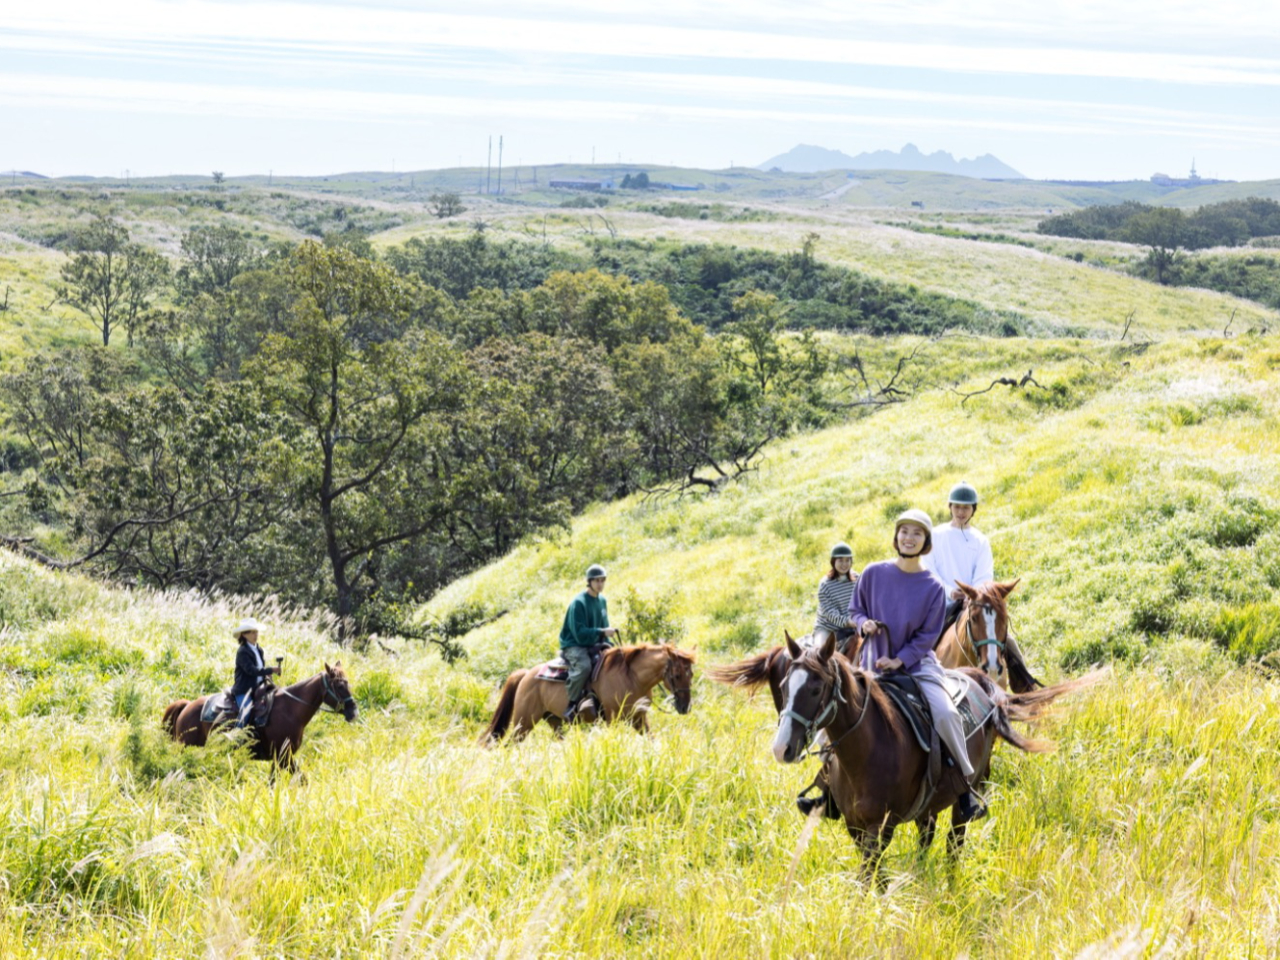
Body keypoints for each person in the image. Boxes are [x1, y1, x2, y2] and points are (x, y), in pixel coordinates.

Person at [849, 509, 985, 822]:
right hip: (871, 666)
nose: (908, 538)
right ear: (896, 536)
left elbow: (927, 636)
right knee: (832, 710)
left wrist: (899, 659)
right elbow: (855, 609)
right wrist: (862, 623)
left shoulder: (933, 587)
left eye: (917, 533)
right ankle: (827, 786)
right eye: (904, 531)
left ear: (926, 542)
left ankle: (964, 787)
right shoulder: (872, 573)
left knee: (946, 714)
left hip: (917, 667)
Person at [924, 481, 1029, 665]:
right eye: (957, 507)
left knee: (1006, 641)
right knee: (920, 641)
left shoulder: (980, 540)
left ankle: (1025, 678)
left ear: (973, 509)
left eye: (966, 507)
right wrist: (950, 591)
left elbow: (984, 575)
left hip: (973, 603)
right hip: (941, 604)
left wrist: (973, 596)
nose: (961, 512)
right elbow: (929, 571)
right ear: (950, 507)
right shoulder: (936, 535)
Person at [559, 564, 619, 722]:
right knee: (584, 666)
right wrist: (601, 632)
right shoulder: (579, 603)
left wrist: (610, 646)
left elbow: (604, 626)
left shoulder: (602, 601)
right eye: (596, 581)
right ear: (589, 582)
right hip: (574, 644)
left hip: (593, 642)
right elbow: (579, 634)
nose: (600, 584)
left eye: (602, 580)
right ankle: (571, 705)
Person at [230, 617, 279, 728]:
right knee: (246, 711)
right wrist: (270, 670)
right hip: (244, 690)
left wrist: (266, 674)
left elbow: (260, 668)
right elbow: (251, 670)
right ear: (244, 635)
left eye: (256, 632)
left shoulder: (259, 650)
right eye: (252, 632)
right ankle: (237, 735)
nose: (256, 635)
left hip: (259, 688)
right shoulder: (242, 651)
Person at [812, 542, 859, 656]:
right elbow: (830, 613)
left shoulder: (857, 579)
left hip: (854, 624)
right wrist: (848, 622)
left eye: (847, 560)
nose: (844, 564)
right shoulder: (825, 584)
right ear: (833, 562)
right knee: (820, 655)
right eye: (840, 560)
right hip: (828, 628)